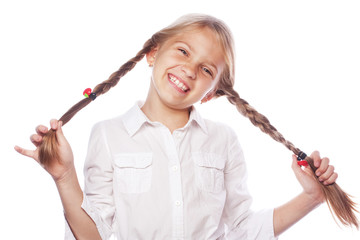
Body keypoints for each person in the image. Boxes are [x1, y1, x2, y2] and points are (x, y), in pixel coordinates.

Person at [15, 14, 341, 239]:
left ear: (212, 92)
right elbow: (93, 235)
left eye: (205, 69)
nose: (188, 70)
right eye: (183, 51)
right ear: (153, 54)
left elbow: (241, 231)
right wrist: (64, 176)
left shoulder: (223, 141)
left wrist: (312, 197)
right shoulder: (108, 135)